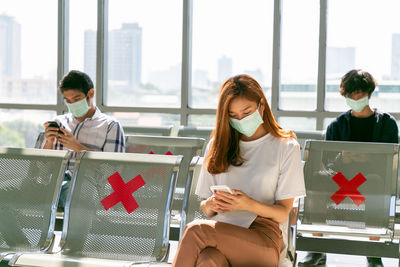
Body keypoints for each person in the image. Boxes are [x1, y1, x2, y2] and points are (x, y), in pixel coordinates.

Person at [172, 74, 306, 267]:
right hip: (221, 231)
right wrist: (211, 204)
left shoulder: (285, 146)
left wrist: (246, 204)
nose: (240, 119)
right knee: (207, 260)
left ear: (261, 105)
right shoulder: (217, 146)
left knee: (196, 231)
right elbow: (205, 208)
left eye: (246, 112)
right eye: (233, 115)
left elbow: (283, 213)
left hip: (263, 238)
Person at [298, 69, 398, 267]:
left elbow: (388, 165)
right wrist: (342, 158)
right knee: (317, 179)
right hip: (342, 183)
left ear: (369, 93)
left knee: (376, 181)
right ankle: (317, 249)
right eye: (351, 94)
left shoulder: (387, 124)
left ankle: (373, 254)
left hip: (370, 183)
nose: (356, 98)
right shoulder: (336, 125)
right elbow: (329, 165)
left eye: (360, 93)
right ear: (345, 96)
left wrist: (366, 158)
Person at [42, 70, 125, 207]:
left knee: (74, 195)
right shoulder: (59, 122)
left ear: (90, 94)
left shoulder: (110, 126)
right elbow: (42, 171)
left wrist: (78, 148)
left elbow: (112, 173)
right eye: (68, 100)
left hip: (88, 187)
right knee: (5, 191)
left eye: (76, 99)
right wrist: (49, 143)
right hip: (54, 183)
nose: (72, 104)